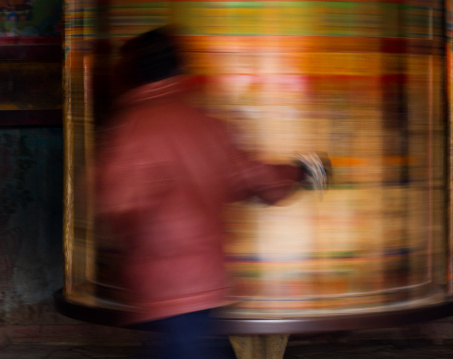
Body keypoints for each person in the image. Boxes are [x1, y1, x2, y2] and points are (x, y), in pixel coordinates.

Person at [93, 26, 326, 359]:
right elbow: (259, 180)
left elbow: (117, 203)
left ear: (130, 73)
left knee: (184, 348)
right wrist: (302, 170)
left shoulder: (131, 127)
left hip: (162, 281)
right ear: (179, 69)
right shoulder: (208, 123)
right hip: (209, 279)